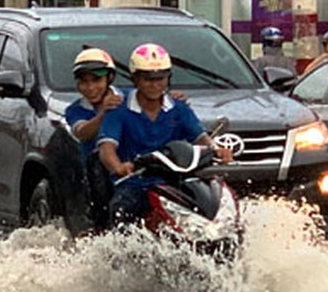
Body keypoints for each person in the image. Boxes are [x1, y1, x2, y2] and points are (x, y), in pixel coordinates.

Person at [97, 43, 234, 227]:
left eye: (161, 78)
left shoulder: (179, 107)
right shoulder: (118, 109)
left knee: (217, 206)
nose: (155, 84)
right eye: (148, 79)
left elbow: (200, 137)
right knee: (122, 208)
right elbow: (107, 149)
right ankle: (117, 253)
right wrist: (119, 167)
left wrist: (216, 150)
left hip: (176, 182)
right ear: (135, 79)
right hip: (137, 183)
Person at [64, 47, 123, 230]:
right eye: (84, 82)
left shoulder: (128, 99)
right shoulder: (75, 110)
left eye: (96, 80)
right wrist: (103, 114)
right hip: (99, 177)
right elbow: (82, 132)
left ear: (110, 78)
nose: (90, 88)